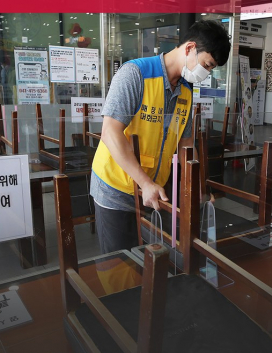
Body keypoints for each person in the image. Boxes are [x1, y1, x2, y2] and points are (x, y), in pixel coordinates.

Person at [90, 20, 231, 254]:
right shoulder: (135, 74)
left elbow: (186, 145)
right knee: (117, 268)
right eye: (207, 65)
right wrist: (144, 182)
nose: (206, 74)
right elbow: (110, 132)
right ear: (189, 48)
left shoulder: (185, 91)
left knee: (149, 263)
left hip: (154, 192)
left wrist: (197, 188)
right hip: (116, 188)